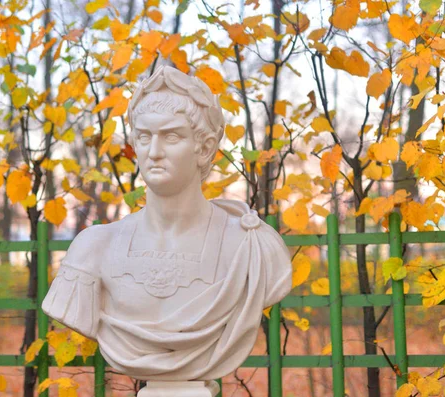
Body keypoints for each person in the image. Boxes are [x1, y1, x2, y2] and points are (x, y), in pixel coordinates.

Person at [42, 65, 292, 386]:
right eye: (144, 137)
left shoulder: (251, 247)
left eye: (171, 136)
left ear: (204, 148)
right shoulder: (93, 249)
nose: (154, 152)